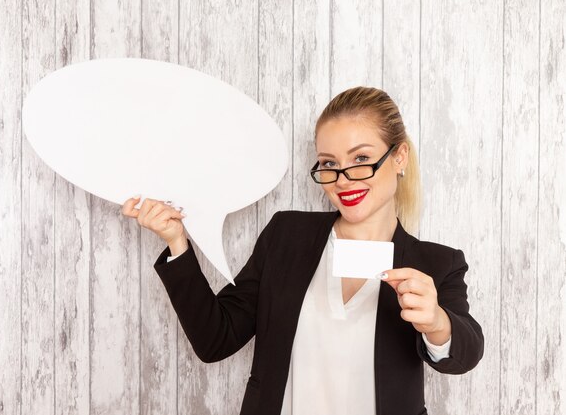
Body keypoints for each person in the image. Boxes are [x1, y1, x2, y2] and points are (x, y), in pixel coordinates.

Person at [121, 86, 484, 415]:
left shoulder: (438, 263)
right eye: (329, 164)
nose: (343, 180)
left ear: (399, 156)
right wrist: (176, 242)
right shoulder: (286, 236)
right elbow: (216, 339)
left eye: (360, 159)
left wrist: (437, 322)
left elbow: (466, 353)